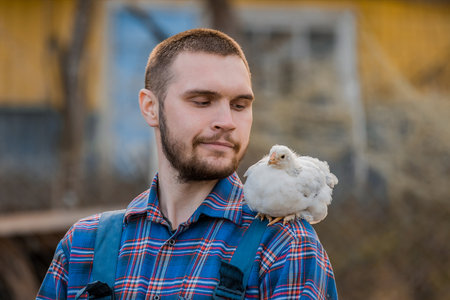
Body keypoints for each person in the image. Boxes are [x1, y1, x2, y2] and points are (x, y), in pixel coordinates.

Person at [37, 28, 338, 299]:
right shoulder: (83, 246)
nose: (227, 122)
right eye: (202, 102)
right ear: (151, 108)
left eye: (239, 105)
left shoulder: (284, 246)